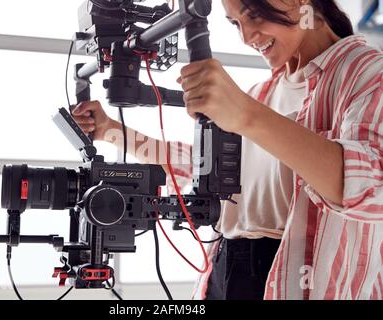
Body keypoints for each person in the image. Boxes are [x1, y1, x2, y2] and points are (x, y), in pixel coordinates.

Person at [72, 0, 383, 300]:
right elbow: (198, 167)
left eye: (254, 16)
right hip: (224, 268)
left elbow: (369, 185)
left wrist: (246, 115)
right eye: (235, 24)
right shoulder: (263, 93)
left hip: (291, 276)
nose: (247, 37)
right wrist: (111, 131)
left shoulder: (367, 73)